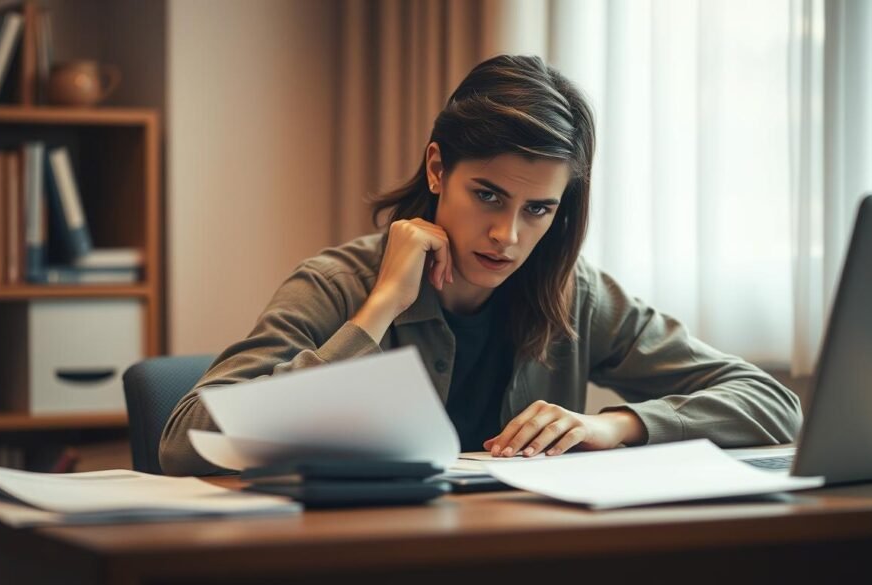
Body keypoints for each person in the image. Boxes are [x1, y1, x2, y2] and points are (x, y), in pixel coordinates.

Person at [159, 54, 802, 476]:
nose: (508, 236)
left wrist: (614, 426)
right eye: (488, 195)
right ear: (438, 169)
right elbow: (183, 441)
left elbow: (773, 404)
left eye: (539, 210)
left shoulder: (573, 293)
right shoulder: (338, 284)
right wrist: (379, 310)